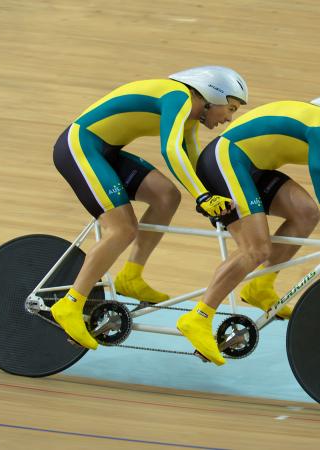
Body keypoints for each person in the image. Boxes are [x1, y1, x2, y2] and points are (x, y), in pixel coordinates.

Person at [178, 88, 320, 365]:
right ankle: (199, 316)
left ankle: (260, 287)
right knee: (255, 248)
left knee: (306, 213)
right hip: (225, 159)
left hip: (253, 168)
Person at [50, 66, 247, 350]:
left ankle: (131, 275)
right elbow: (171, 150)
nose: (228, 118)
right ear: (211, 95)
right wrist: (203, 197)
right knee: (122, 229)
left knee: (167, 196)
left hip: (105, 151)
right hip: (79, 147)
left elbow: (190, 158)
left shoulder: (192, 113)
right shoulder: (178, 96)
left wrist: (212, 198)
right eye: (229, 108)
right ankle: (70, 304)